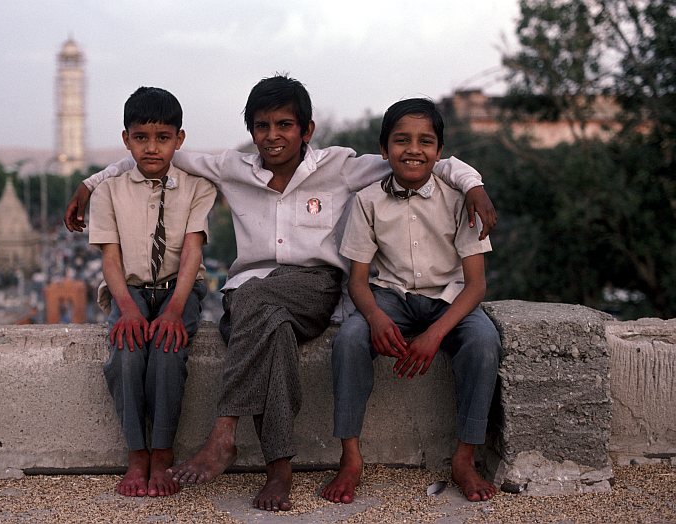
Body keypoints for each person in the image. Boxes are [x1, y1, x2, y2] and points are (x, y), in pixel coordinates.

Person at [64, 75, 497, 511]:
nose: (273, 136)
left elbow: (421, 161)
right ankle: (279, 469)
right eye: (262, 126)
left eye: (285, 125)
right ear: (251, 132)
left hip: (314, 286)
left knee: (259, 302)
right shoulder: (233, 168)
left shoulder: (339, 167)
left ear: (306, 130)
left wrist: (473, 185)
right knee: (268, 323)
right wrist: (91, 183)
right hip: (249, 292)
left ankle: (224, 429)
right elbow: (154, 156)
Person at [322, 98, 501, 505]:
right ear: (384, 149)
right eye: (401, 140)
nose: (413, 149)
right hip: (391, 299)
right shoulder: (367, 200)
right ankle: (350, 458)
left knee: (483, 342)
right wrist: (375, 318)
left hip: (450, 301)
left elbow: (475, 286)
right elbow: (359, 282)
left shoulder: (460, 199)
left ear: (439, 152)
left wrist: (435, 335)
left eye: (426, 141)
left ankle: (464, 457)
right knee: (349, 340)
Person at [88, 86, 216, 498]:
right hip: (130, 290)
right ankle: (137, 453)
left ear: (179, 139)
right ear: (126, 140)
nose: (152, 148)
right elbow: (111, 258)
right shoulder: (108, 191)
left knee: (166, 352)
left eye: (163, 138)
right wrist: (127, 308)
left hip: (180, 291)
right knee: (126, 354)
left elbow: (193, 251)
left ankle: (162, 452)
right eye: (141, 138)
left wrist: (176, 310)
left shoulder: (198, 188)